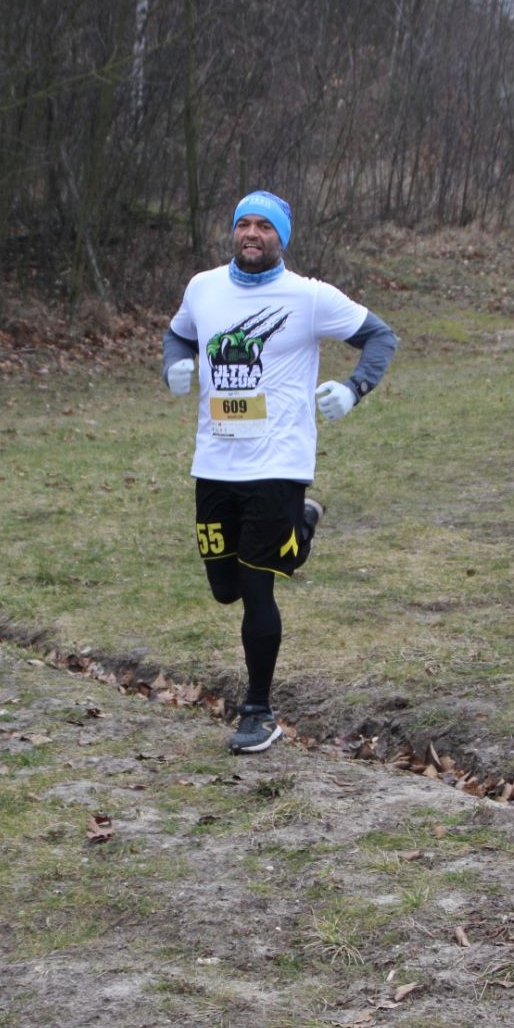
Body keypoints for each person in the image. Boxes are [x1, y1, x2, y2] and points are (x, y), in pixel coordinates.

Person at [162, 190, 397, 753]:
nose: (251, 233)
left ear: (280, 239)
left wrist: (354, 387)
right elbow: (179, 333)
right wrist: (175, 363)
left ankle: (258, 712)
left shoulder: (309, 297)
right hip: (214, 462)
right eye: (243, 223)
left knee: (256, 587)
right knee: (224, 589)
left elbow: (380, 336)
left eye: (264, 226)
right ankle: (303, 526)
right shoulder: (203, 287)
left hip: (278, 463)